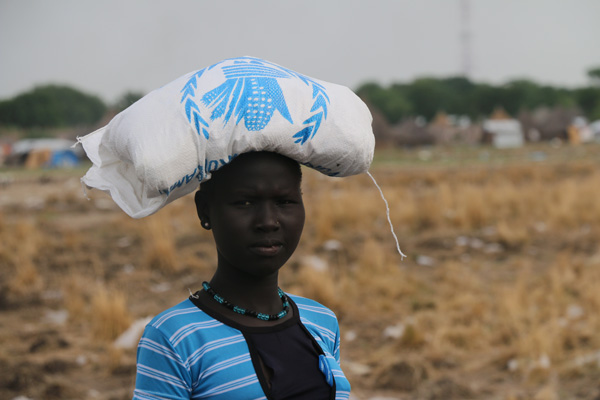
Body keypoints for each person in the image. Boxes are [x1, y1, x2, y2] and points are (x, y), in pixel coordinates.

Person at [133, 151, 352, 400]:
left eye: (285, 201)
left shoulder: (321, 321)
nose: (268, 221)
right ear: (205, 211)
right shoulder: (175, 337)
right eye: (245, 203)